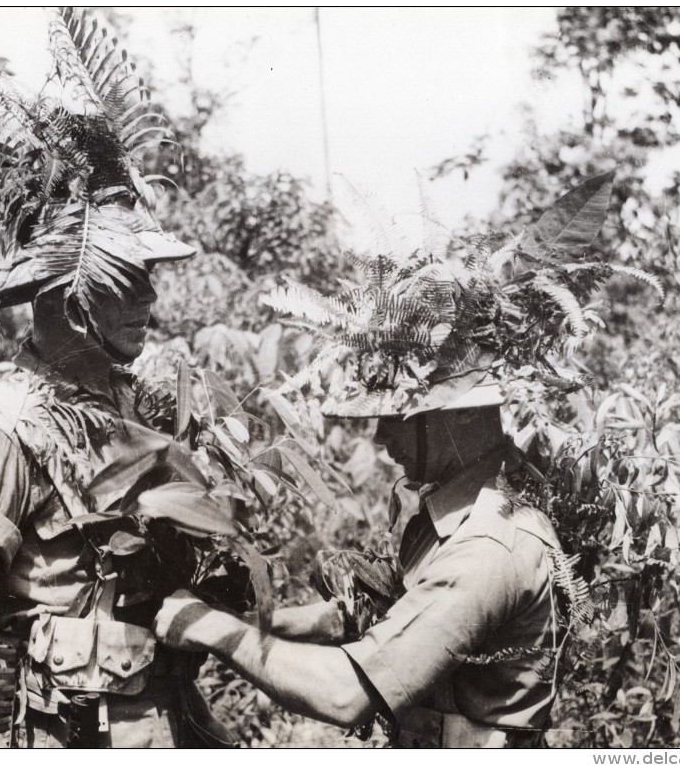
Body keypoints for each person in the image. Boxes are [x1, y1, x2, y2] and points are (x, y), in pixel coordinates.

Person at [153, 176, 621, 747]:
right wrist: (265, 621)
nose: (380, 438)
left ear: (460, 418)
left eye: (399, 419)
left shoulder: (488, 549)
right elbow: (381, 619)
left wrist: (217, 631)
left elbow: (346, 694)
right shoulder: (456, 512)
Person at [0, 8, 234, 748]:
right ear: (72, 291)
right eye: (129, 277)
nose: (150, 298)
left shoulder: (124, 400)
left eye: (148, 276)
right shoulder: (4, 431)